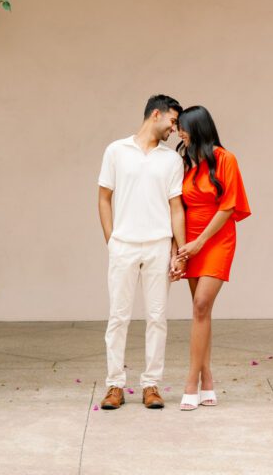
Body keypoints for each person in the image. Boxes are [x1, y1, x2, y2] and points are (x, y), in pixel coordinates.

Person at [97, 94, 186, 410]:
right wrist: (112, 240)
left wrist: (178, 251)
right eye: (173, 121)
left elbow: (176, 207)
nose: (174, 129)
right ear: (156, 115)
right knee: (118, 317)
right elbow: (104, 197)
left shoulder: (172, 161)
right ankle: (114, 385)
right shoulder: (116, 151)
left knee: (157, 317)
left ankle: (151, 384)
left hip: (159, 245)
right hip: (124, 245)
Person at [175, 105, 251, 411]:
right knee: (200, 313)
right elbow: (177, 207)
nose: (178, 133)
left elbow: (228, 207)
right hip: (189, 240)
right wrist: (179, 248)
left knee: (201, 305)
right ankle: (208, 379)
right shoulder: (186, 162)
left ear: (196, 127)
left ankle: (191, 382)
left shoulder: (225, 159)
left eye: (182, 127)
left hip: (215, 239)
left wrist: (199, 243)